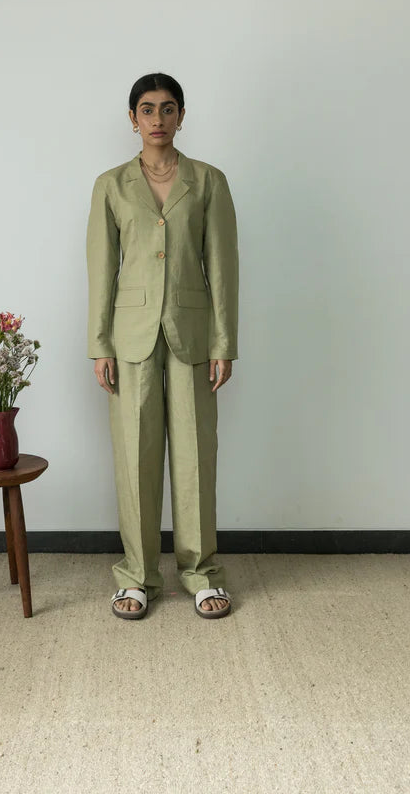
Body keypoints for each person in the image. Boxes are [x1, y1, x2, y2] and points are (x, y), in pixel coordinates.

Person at [86, 72, 239, 620]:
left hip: (192, 336)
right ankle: (136, 576)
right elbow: (101, 270)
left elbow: (222, 267)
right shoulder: (110, 185)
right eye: (147, 109)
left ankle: (201, 574)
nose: (158, 118)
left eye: (168, 108)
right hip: (129, 339)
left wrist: (224, 343)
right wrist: (99, 344)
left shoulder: (209, 181)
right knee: (135, 457)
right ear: (133, 119)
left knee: (196, 457)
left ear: (181, 116)